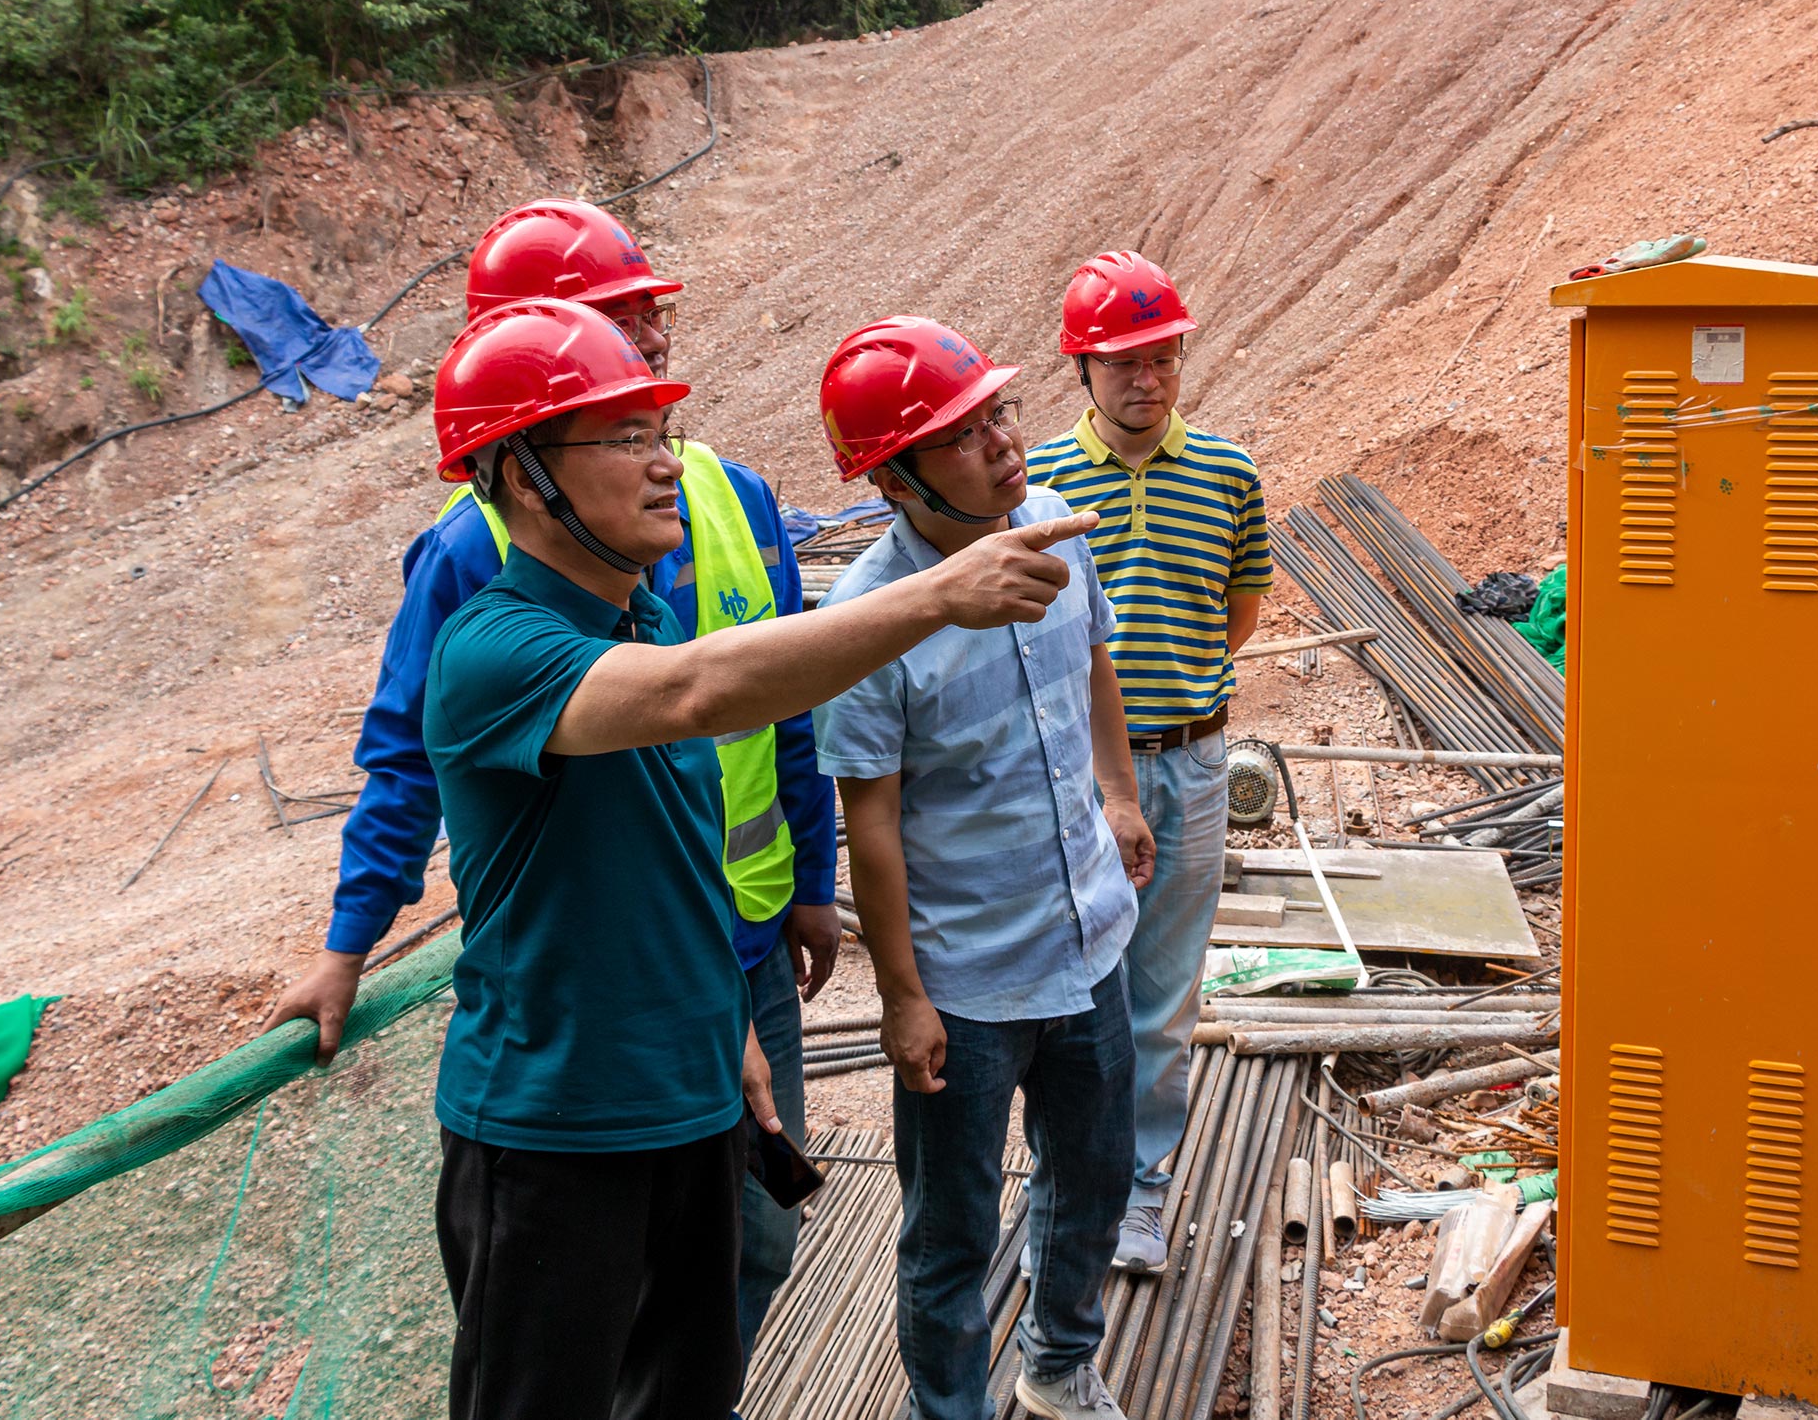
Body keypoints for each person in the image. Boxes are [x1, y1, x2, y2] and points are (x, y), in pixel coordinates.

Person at [412, 298, 1100, 1420]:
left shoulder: (640, 627)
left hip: (688, 1100)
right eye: (624, 438)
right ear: (524, 474)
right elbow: (704, 690)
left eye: (661, 433)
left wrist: (724, 1025)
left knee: (690, 1395)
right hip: (557, 1129)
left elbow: (677, 862)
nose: (664, 465)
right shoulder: (496, 648)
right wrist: (939, 592)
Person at [261, 197, 839, 1366]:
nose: (649, 336)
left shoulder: (722, 495)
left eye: (647, 315)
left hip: (730, 947)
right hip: (595, 1001)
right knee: (587, 1316)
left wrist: (811, 883)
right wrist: (348, 941)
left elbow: (781, 711)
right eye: (615, 319)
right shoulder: (474, 556)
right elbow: (409, 756)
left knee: (746, 1250)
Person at [813, 317, 1154, 1420]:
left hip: (1087, 937)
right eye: (961, 435)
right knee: (951, 1229)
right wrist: (902, 997)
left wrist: (1118, 794)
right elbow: (870, 821)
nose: (1002, 442)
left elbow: (1092, 662)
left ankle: (1058, 1363)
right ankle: (949, 1409)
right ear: (894, 478)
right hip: (966, 981)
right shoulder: (865, 621)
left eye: (997, 414)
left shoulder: (1058, 530)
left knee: (1095, 1175)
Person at [1025, 252, 1272, 1272]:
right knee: (1066, 987)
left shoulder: (1228, 473)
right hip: (1071, 775)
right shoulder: (1038, 484)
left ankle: (1138, 1190)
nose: (1147, 377)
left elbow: (1238, 614)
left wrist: (1171, 702)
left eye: (1162, 356)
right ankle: (1060, 1189)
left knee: (1163, 991)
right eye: (1123, 360)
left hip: (1191, 762)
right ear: (1082, 367)